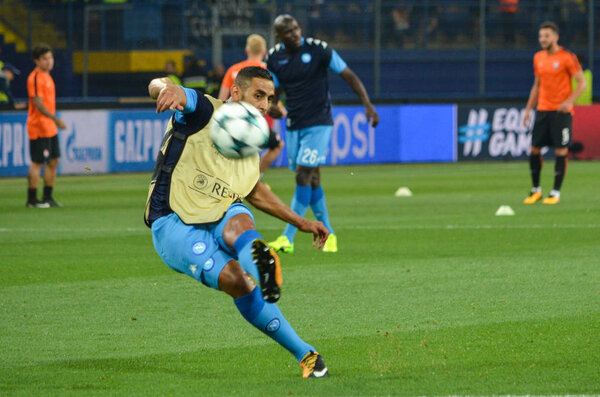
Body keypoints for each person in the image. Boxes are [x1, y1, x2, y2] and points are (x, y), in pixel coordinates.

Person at [144, 66, 330, 378]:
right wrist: (167, 88)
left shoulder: (249, 144)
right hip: (174, 221)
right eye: (258, 95)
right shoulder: (204, 111)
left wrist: (301, 223)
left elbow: (255, 190)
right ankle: (265, 280)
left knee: (239, 217)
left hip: (222, 209)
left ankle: (308, 356)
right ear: (235, 92)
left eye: (269, 98)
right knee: (238, 282)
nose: (264, 105)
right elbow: (160, 84)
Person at [266, 14, 379, 254]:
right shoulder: (274, 57)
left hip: (319, 121)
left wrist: (367, 104)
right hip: (295, 124)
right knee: (313, 178)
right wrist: (272, 106)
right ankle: (330, 234)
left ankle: (288, 237)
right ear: (279, 36)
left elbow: (348, 75)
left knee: (303, 175)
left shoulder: (319, 49)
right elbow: (273, 92)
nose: (295, 33)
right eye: (288, 31)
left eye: (296, 28)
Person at [523, 21, 586, 205]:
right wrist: (528, 109)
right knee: (534, 149)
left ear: (555, 37)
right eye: (541, 36)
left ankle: (555, 192)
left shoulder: (567, 57)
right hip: (542, 110)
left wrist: (568, 101)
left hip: (561, 114)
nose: (543, 39)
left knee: (561, 151)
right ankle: (536, 190)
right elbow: (536, 85)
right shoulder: (538, 58)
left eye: (547, 36)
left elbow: (582, 83)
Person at [218, 33, 286, 175]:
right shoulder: (269, 72)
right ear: (264, 52)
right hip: (258, 125)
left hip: (233, 124)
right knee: (277, 145)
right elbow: (275, 104)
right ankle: (255, 178)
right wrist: (282, 111)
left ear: (247, 51)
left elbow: (221, 100)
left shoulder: (233, 70)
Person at [26, 43, 66, 208]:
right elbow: (37, 104)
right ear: (37, 60)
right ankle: (32, 200)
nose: (49, 61)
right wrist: (55, 119)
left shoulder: (47, 76)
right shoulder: (35, 77)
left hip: (49, 127)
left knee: (54, 160)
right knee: (38, 162)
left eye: (50, 57)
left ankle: (48, 197)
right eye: (44, 59)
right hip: (39, 126)